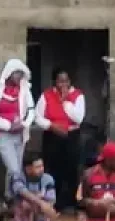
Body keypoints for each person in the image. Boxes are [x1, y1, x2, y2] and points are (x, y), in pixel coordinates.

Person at [36, 69, 85, 212]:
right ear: (54, 82)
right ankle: (54, 200)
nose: (63, 84)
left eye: (66, 81)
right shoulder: (46, 95)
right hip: (52, 135)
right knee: (53, 168)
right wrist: (51, 126)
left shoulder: (78, 96)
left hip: (71, 136)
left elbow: (78, 118)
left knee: (71, 168)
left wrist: (65, 102)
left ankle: (72, 201)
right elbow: (38, 117)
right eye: (60, 81)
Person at [0, 59, 35, 196]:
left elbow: (31, 109)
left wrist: (24, 123)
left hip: (20, 134)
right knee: (14, 168)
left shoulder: (24, 89)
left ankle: (9, 196)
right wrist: (7, 126)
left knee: (14, 168)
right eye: (16, 73)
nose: (19, 76)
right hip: (2, 135)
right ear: (9, 73)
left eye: (21, 73)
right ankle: (18, 197)